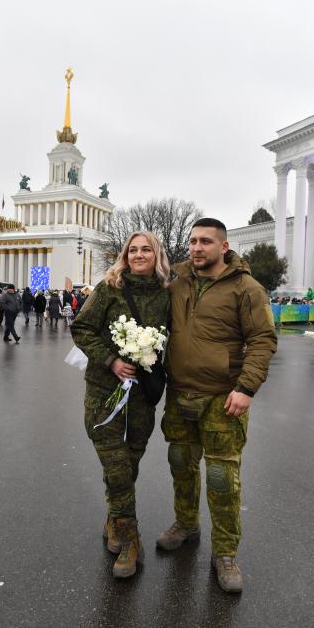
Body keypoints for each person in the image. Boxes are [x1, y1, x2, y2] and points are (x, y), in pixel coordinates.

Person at [157, 218, 277, 593]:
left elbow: (262, 339)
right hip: (180, 394)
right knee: (180, 462)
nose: (196, 247)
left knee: (223, 478)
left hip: (223, 397)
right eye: (192, 241)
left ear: (223, 247)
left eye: (205, 241)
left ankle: (225, 552)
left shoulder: (246, 288)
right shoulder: (176, 284)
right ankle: (186, 523)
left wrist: (246, 388)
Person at [71, 232, 170, 579]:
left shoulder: (166, 295)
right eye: (133, 250)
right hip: (103, 394)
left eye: (146, 249)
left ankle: (115, 517)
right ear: (125, 255)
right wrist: (112, 360)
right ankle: (130, 540)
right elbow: (81, 328)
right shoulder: (109, 287)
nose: (139, 254)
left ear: (156, 255)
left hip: (143, 396)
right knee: (115, 466)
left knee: (129, 464)